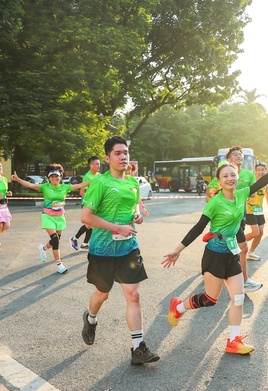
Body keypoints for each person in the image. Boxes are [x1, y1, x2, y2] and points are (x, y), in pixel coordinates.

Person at [162, 153, 268, 355]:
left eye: (232, 175)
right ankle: (179, 307)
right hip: (214, 256)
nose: (230, 178)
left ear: (238, 176)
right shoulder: (215, 202)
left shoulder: (243, 193)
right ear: (219, 181)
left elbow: (263, 180)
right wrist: (177, 249)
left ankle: (233, 341)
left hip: (231, 255)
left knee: (238, 298)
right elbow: (198, 227)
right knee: (211, 299)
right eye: (225, 176)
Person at [80, 135, 159, 365]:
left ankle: (138, 347)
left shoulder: (133, 183)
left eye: (125, 153)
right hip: (102, 250)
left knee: (133, 295)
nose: (123, 157)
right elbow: (86, 218)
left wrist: (136, 217)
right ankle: (91, 318)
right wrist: (117, 227)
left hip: (128, 249)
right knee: (102, 294)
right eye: (117, 153)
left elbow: (133, 209)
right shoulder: (100, 182)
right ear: (107, 158)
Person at [11, 164, 90, 274]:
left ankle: (43, 248)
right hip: (47, 216)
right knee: (55, 239)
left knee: (56, 239)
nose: (54, 178)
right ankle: (59, 264)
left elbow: (81, 185)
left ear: (60, 176)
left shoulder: (65, 187)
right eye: (52, 177)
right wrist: (18, 179)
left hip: (60, 217)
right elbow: (29, 185)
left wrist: (95, 181)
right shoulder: (45, 187)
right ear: (48, 178)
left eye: (56, 176)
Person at [206, 146, 262, 293]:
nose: (239, 156)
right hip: (226, 219)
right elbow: (209, 194)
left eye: (240, 154)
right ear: (229, 159)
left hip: (241, 215)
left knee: (234, 247)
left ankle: (221, 272)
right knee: (242, 248)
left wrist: (240, 195)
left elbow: (253, 194)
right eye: (235, 154)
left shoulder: (248, 174)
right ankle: (244, 281)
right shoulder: (223, 173)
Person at [245, 162, 268, 260]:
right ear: (255, 171)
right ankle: (236, 245)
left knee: (260, 232)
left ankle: (251, 252)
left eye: (262, 169)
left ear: (265, 171)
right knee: (255, 232)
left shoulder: (265, 184)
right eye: (258, 170)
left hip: (259, 210)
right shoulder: (251, 181)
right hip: (250, 209)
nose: (261, 172)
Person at [71, 156, 101, 251]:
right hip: (88, 204)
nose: (98, 166)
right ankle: (74, 238)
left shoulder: (99, 176)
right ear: (91, 165)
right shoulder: (87, 177)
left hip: (95, 204)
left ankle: (84, 244)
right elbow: (81, 192)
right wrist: (89, 201)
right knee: (89, 225)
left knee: (91, 225)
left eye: (99, 164)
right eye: (96, 164)